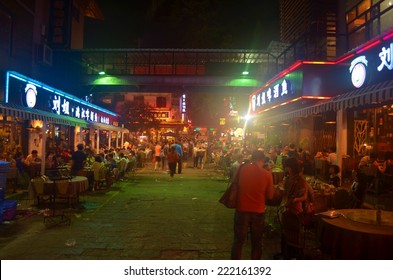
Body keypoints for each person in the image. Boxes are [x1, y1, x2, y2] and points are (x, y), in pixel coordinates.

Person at [231, 150, 274, 260]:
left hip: (242, 209)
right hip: (258, 212)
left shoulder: (242, 168)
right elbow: (270, 196)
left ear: (252, 158)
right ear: (262, 160)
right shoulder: (267, 174)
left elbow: (234, 182)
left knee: (238, 242)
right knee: (257, 242)